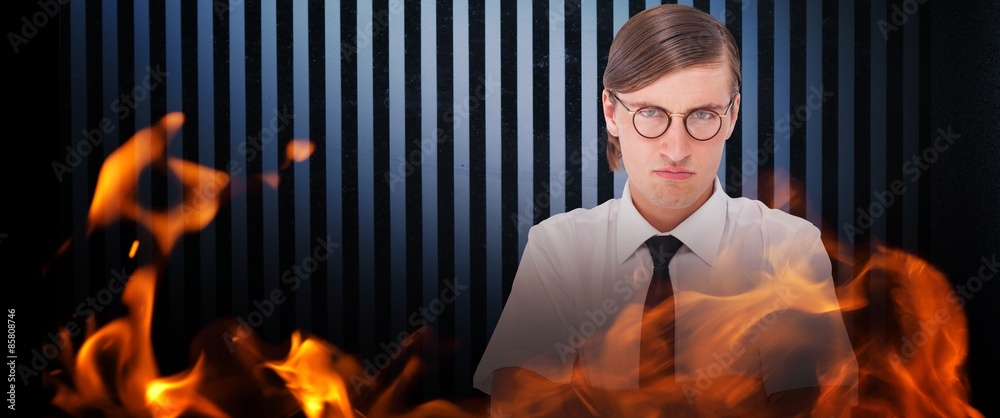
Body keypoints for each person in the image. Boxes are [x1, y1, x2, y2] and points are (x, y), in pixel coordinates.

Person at [473, 4, 857, 417]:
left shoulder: (787, 248)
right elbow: (518, 404)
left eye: (703, 114)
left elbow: (820, 406)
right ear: (611, 112)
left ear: (732, 116)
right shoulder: (559, 248)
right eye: (650, 113)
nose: (676, 149)